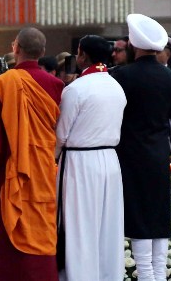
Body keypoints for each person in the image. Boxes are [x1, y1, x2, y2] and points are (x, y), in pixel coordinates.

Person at [0, 27, 64, 281]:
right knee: (41, 229)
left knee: (3, 248)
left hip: (8, 172)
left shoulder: (4, 83)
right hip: (43, 172)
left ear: (16, 48)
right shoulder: (57, 85)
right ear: (42, 52)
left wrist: (5, 156)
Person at [112, 14, 171, 281]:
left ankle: (145, 274)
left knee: (139, 216)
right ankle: (158, 274)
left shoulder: (121, 75)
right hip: (158, 153)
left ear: (133, 44)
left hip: (130, 154)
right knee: (158, 214)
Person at [54, 35, 126, 281]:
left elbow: (61, 135)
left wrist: (51, 160)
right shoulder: (116, 86)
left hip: (80, 162)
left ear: (82, 55)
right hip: (109, 160)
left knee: (79, 225)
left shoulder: (76, 89)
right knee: (108, 226)